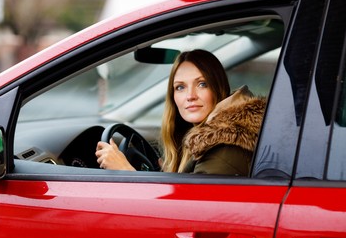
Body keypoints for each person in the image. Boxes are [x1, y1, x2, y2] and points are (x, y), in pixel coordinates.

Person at [95, 49, 266, 175]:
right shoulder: (204, 139)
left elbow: (185, 217)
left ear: (218, 88)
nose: (190, 96)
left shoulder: (225, 148)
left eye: (202, 84)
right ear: (173, 96)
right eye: (180, 87)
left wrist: (125, 171)